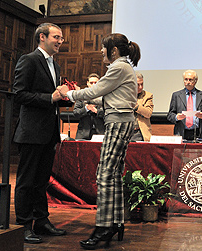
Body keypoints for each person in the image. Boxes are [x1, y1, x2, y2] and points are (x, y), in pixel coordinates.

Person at [57, 33, 140, 250]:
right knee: (113, 175)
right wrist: (75, 95)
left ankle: (103, 226)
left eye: (104, 48)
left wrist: (70, 93)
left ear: (113, 51)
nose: (101, 51)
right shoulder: (124, 67)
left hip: (118, 122)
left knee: (104, 175)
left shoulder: (119, 67)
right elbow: (103, 96)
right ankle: (116, 222)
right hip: (122, 121)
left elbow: (96, 90)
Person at [12, 23, 67, 244]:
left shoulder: (56, 64)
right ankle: (23, 225)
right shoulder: (29, 60)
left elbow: (51, 97)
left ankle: (41, 221)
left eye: (61, 38)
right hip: (31, 132)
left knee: (41, 181)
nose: (60, 41)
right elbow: (20, 94)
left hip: (48, 132)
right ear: (42, 37)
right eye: (56, 37)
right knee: (26, 181)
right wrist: (50, 98)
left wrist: (63, 97)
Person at [167, 70, 202, 141]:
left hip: (198, 133)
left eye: (190, 80)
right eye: (186, 79)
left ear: (196, 80)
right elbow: (170, 115)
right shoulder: (176, 95)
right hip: (181, 132)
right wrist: (176, 117)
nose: (188, 82)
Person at [73, 73, 105, 140]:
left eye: (96, 82)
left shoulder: (104, 97)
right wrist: (86, 109)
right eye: (91, 83)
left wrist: (97, 111)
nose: (93, 85)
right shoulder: (81, 96)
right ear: (87, 83)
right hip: (83, 134)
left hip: (101, 134)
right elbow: (76, 113)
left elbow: (109, 113)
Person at [130, 72, 154, 141]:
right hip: (125, 132)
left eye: (142, 84)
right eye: (137, 85)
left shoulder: (147, 96)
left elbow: (148, 113)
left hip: (139, 133)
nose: (140, 87)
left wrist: (136, 106)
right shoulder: (124, 95)